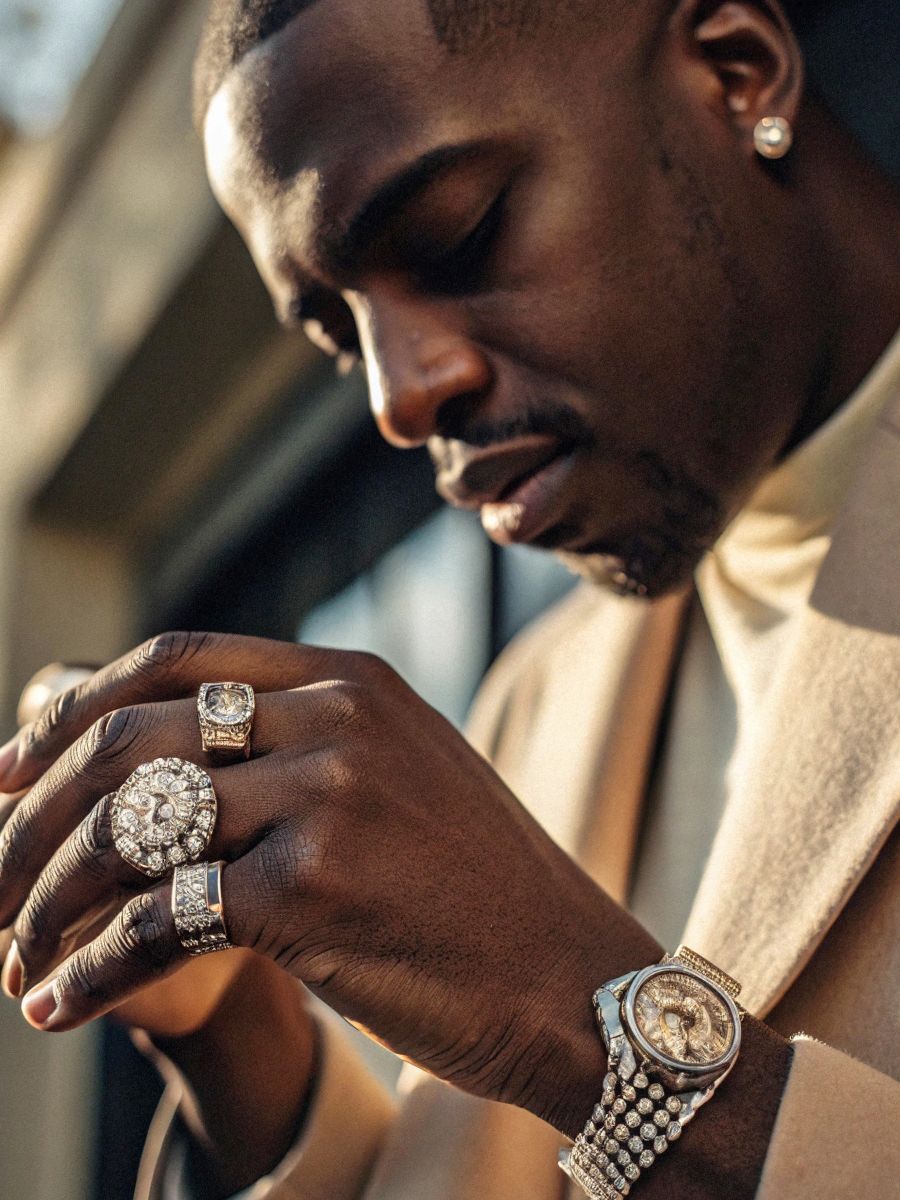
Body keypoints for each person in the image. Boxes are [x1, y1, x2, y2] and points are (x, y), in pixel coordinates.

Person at [0, 1, 897, 1197]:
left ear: (739, 75)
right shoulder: (544, 694)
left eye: (456, 235)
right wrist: (231, 1023)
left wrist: (582, 1026)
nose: (395, 397)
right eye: (337, 334)